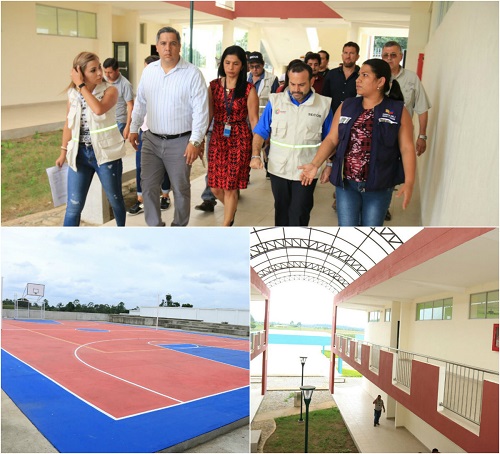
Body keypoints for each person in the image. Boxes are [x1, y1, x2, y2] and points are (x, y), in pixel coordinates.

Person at [299, 59, 416, 227]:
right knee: (347, 230)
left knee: (370, 231)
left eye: (365, 75)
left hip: (379, 184)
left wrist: (410, 182)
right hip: (347, 185)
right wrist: (315, 164)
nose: (358, 79)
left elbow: (407, 148)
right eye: (359, 74)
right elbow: (332, 139)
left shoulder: (397, 110)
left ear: (380, 82)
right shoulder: (347, 106)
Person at [129, 26, 209, 227]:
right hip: (151, 139)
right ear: (157, 47)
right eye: (163, 43)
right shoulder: (149, 72)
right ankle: (155, 227)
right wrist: (133, 127)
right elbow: (141, 102)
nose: (168, 48)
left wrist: (195, 141)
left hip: (181, 142)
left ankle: (178, 228)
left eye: (172, 43)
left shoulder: (192, 74)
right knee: (147, 186)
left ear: (179, 47)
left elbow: (201, 111)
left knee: (181, 188)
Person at [251, 60, 333, 226]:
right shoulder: (276, 102)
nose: (296, 89)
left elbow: (330, 139)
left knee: (300, 212)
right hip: (278, 168)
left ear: (312, 81)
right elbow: (260, 131)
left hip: (306, 170)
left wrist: (330, 165)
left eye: (301, 84)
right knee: (281, 211)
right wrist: (255, 154)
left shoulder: (323, 105)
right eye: (292, 84)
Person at [56, 52, 126, 226]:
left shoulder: (111, 90)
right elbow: (68, 124)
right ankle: (66, 246)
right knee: (73, 207)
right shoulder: (73, 95)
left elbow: (99, 109)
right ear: (81, 73)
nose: (100, 73)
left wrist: (81, 86)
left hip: (106, 155)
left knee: (116, 201)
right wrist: (63, 152)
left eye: (99, 68)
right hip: (79, 155)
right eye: (93, 70)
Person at [207, 45, 259, 226]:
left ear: (242, 66)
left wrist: (256, 151)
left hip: (240, 138)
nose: (230, 67)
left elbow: (254, 120)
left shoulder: (248, 89)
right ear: (222, 64)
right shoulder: (213, 86)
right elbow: (209, 115)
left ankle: (226, 225)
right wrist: (198, 141)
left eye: (235, 64)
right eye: (227, 63)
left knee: (230, 187)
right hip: (218, 137)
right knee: (215, 187)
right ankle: (231, 209)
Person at [128, 55, 171, 216]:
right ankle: (141, 200)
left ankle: (165, 195)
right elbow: (137, 108)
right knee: (141, 167)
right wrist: (133, 128)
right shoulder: (143, 86)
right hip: (144, 132)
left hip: (163, 134)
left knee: (164, 167)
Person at [322, 42, 361, 213]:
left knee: (348, 156)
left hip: (353, 124)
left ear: (357, 56)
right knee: (334, 155)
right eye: (345, 52)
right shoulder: (331, 75)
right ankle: (338, 193)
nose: (348, 56)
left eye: (352, 53)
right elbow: (324, 99)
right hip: (333, 121)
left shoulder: (361, 76)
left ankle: (342, 195)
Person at [382, 41, 431, 157]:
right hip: (380, 135)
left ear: (400, 56)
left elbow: (422, 107)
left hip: (403, 135)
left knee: (403, 171)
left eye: (393, 55)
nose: (389, 59)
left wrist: (422, 136)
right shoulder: (376, 77)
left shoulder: (412, 78)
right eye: (385, 55)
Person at [102, 57, 134, 139]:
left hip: (119, 121)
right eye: (105, 72)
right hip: (105, 119)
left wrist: (128, 126)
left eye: (110, 72)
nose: (107, 75)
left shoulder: (125, 84)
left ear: (117, 70)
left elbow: (130, 106)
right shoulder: (103, 81)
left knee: (117, 149)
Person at [247, 51, 279, 116]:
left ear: (263, 64)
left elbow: (275, 101)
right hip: (246, 116)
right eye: (251, 67)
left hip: (263, 116)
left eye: (257, 66)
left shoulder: (272, 79)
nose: (254, 69)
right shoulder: (244, 77)